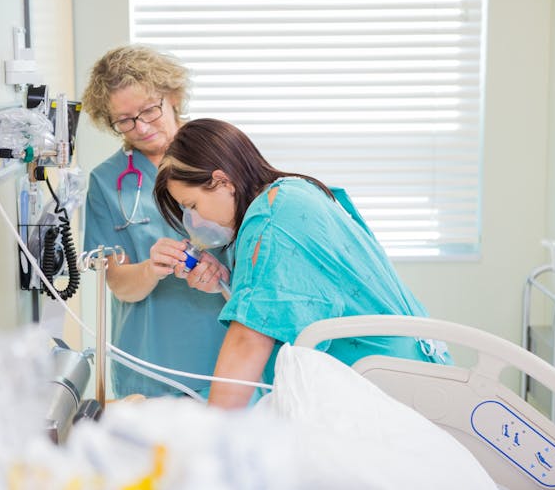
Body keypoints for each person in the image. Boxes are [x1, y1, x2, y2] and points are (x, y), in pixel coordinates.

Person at [153, 118, 451, 409]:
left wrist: (213, 436)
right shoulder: (292, 193)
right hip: (409, 371)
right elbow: (302, 297)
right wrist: (228, 283)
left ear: (222, 181)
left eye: (191, 205)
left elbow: (249, 339)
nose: (192, 220)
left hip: (393, 388)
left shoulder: (270, 220)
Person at [81, 45, 230, 399]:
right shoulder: (107, 181)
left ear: (173, 96)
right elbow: (118, 283)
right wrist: (151, 268)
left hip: (225, 350)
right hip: (150, 363)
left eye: (150, 110)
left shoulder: (222, 150)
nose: (142, 127)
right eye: (125, 120)